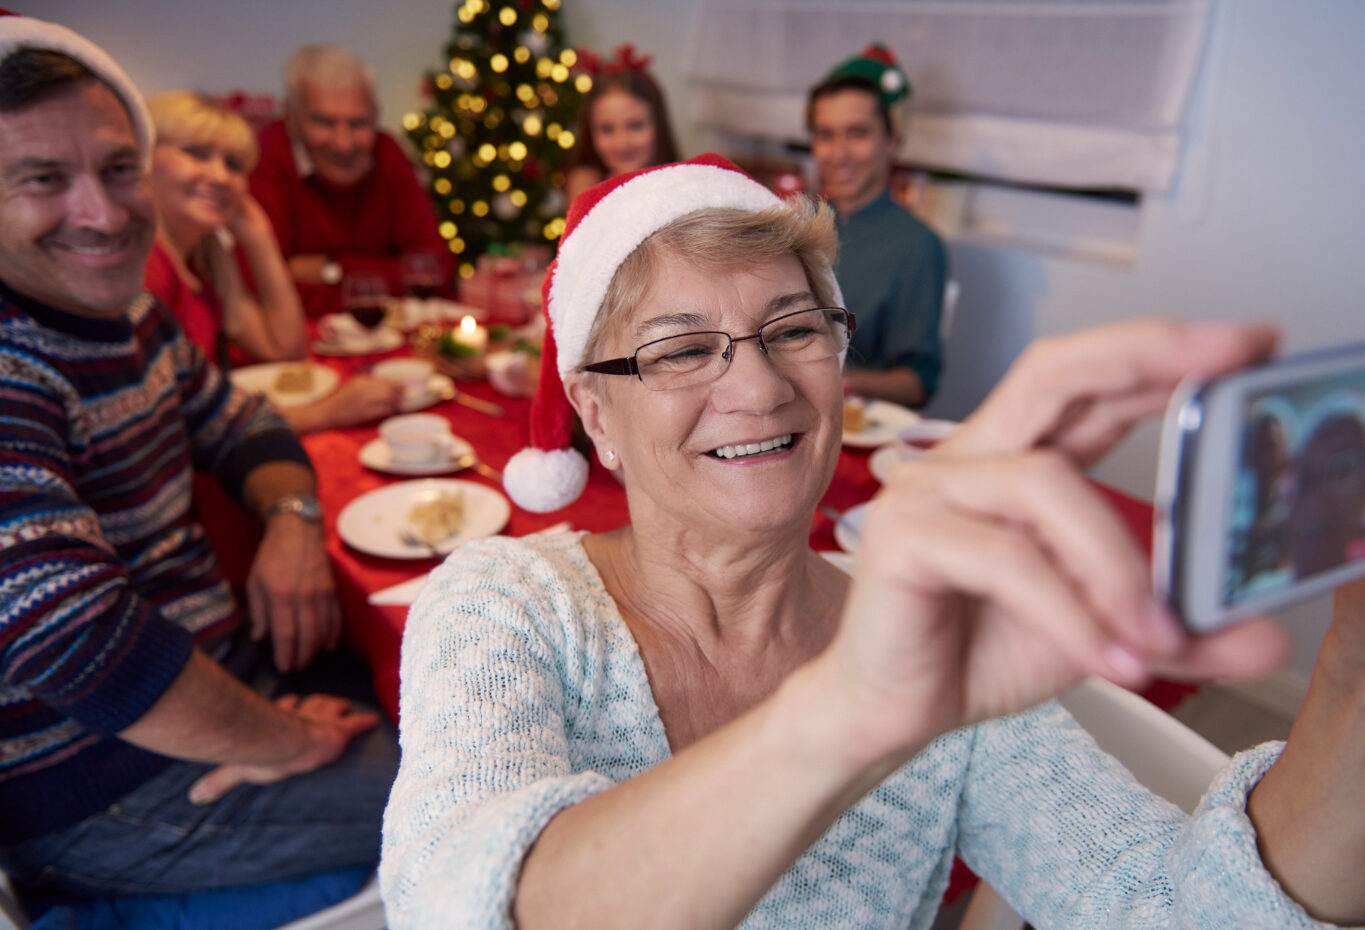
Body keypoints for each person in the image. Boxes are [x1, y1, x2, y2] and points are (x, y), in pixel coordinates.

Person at [380, 154, 1365, 929]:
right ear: (595, 416)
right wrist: (853, 709)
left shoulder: (929, 626)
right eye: (683, 349)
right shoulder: (504, 604)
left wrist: (1351, 674)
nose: (760, 389)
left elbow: (1175, 911)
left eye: (794, 329)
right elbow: (458, 906)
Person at [0, 16, 397, 916]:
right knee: (484, 783)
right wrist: (284, 741)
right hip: (103, 790)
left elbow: (241, 421)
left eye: (115, 168)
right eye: (43, 181)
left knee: (472, 679)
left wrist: (294, 525)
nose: (102, 212)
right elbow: (69, 636)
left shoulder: (128, 314)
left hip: (211, 686)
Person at [145, 90, 402, 433]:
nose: (221, 176)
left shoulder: (205, 260)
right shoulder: (146, 270)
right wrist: (326, 413)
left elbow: (286, 350)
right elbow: (175, 431)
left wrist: (260, 238)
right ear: (142, 159)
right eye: (197, 153)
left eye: (233, 164)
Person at [249, 44, 451, 318]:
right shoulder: (266, 156)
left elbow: (437, 270)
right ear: (292, 119)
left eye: (358, 123)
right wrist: (382, 283)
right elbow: (260, 289)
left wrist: (333, 270)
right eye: (325, 123)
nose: (344, 144)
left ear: (376, 116)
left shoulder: (387, 152)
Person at [807, 44, 946, 409]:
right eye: (825, 134)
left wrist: (836, 377)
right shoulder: (798, 224)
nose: (839, 154)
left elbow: (917, 383)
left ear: (893, 141)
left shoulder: (916, 245)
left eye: (858, 133)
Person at [564, 44, 680, 203]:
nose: (622, 143)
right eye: (606, 129)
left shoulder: (682, 187)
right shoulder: (585, 184)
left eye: (635, 125)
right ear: (589, 131)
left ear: (658, 124)